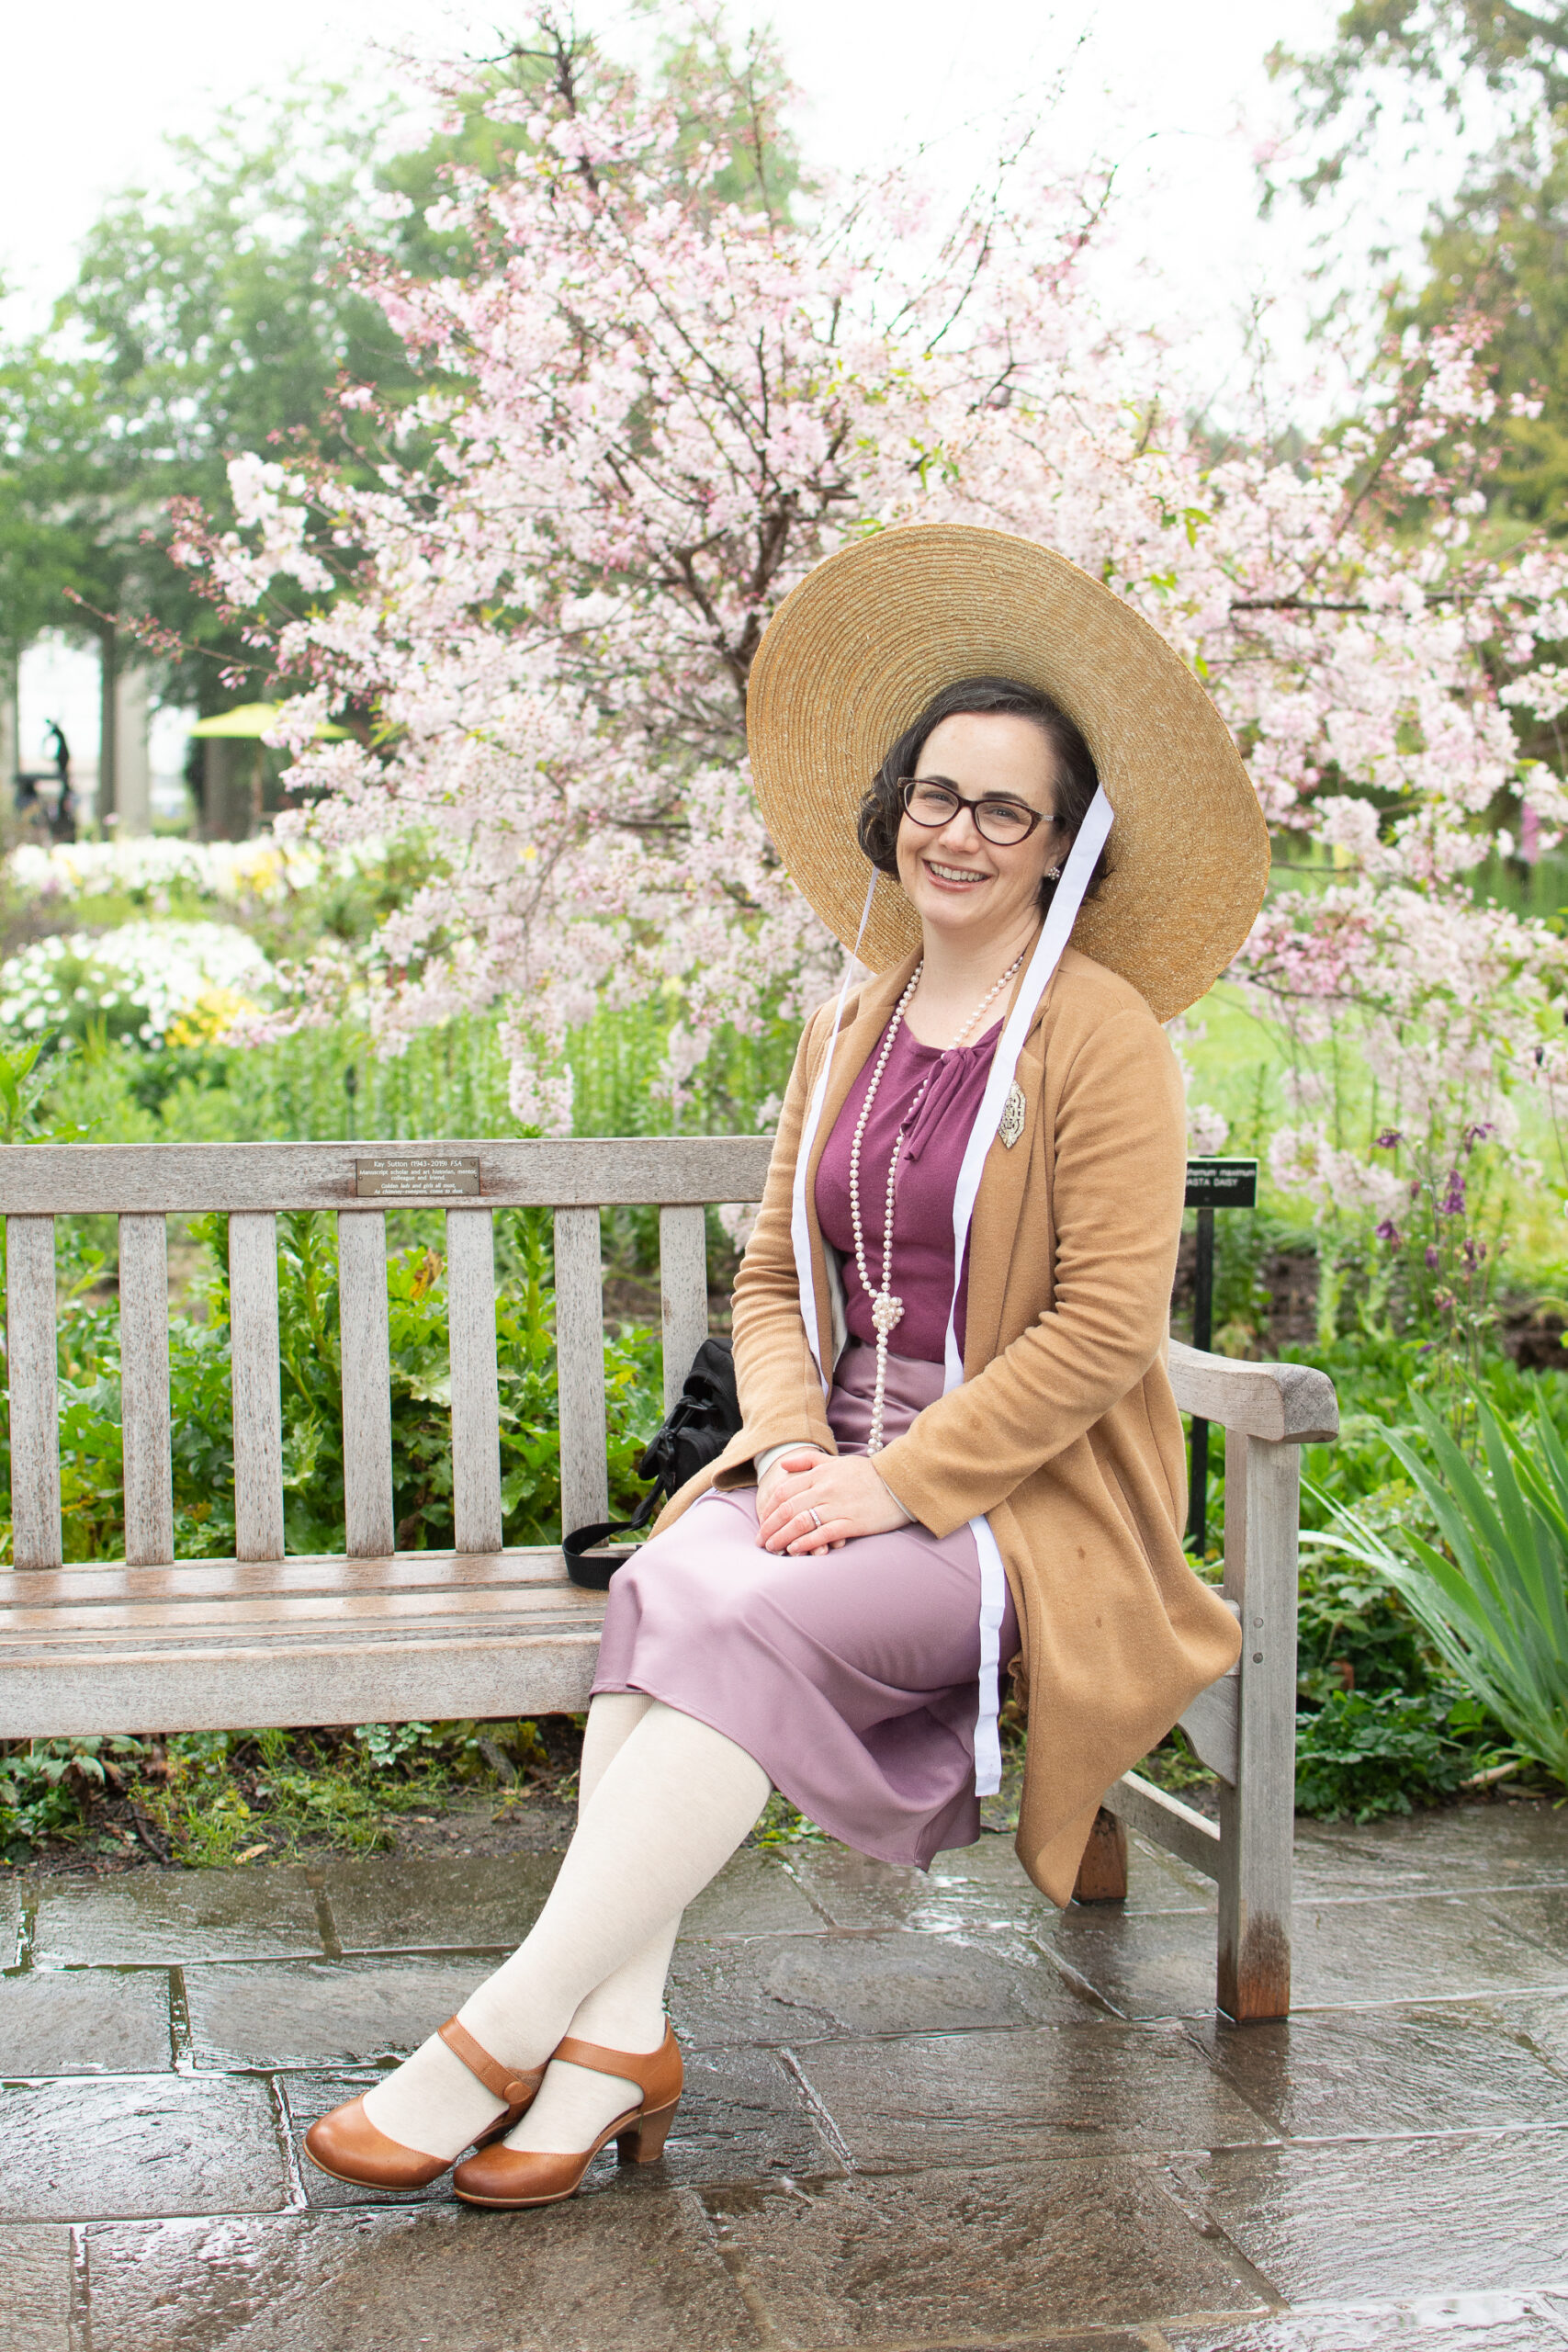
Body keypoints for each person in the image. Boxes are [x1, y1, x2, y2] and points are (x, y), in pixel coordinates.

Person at [305, 524, 1269, 2211]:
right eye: (936, 793)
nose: (957, 833)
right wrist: (794, 1451)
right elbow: (771, 1273)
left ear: (1063, 847)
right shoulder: (853, 1015)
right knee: (681, 1582)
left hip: (1019, 1515)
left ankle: (499, 2033)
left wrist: (894, 1482)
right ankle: (619, 2047)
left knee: (710, 1610)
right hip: (820, 1474)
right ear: (896, 802)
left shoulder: (1104, 1037)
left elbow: (1105, 1328)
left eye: (1005, 810)